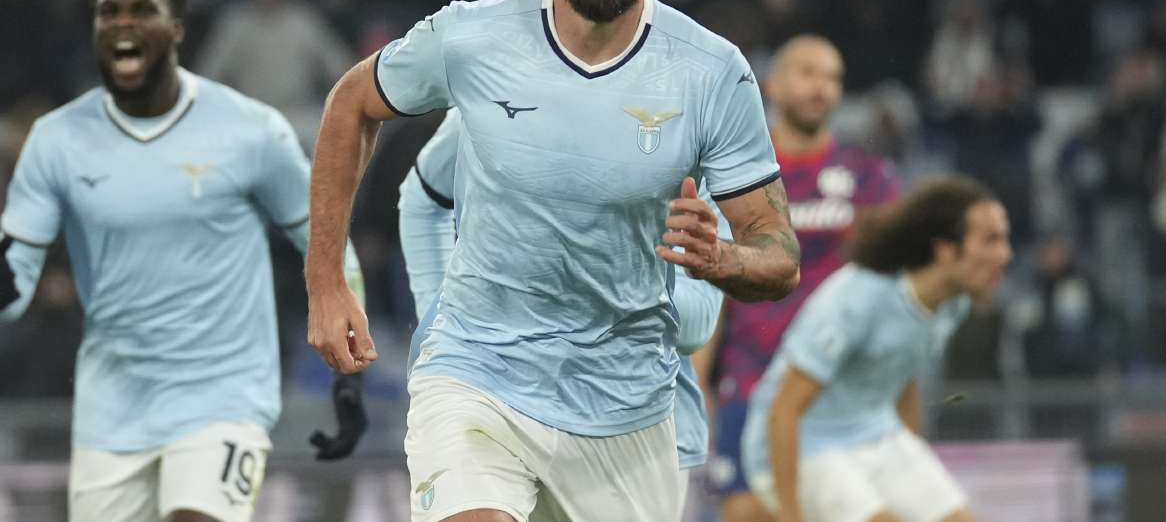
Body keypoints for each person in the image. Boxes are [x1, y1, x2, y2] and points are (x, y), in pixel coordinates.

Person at [303, 0, 801, 520]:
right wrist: (326, 281)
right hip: (479, 376)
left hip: (625, 406)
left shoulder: (712, 72)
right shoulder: (472, 40)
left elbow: (778, 252)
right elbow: (352, 104)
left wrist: (724, 260)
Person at [0, 0, 367, 522]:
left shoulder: (249, 130)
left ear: (175, 29)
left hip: (223, 398)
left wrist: (349, 376)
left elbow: (328, 243)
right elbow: (14, 280)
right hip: (110, 412)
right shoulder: (57, 140)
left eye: (141, 9)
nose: (123, 22)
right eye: (109, 12)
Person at [397, 108, 726, 521]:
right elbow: (423, 198)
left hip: (632, 423)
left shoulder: (695, 127)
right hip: (488, 387)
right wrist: (442, 321)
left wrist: (596, 284)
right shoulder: (494, 87)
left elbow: (699, 324)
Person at [694, 34, 899, 522]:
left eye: (833, 77)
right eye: (808, 73)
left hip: (836, 389)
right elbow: (709, 281)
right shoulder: (735, 175)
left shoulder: (867, 178)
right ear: (773, 86)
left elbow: (890, 286)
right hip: (750, 381)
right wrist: (697, 377)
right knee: (747, 513)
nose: (822, 87)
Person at [741, 176, 1013, 522]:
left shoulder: (953, 303)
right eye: (991, 240)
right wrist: (789, 513)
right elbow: (784, 409)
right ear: (945, 250)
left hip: (876, 436)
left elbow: (902, 375)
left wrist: (913, 457)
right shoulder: (858, 298)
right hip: (801, 449)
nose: (1005, 255)